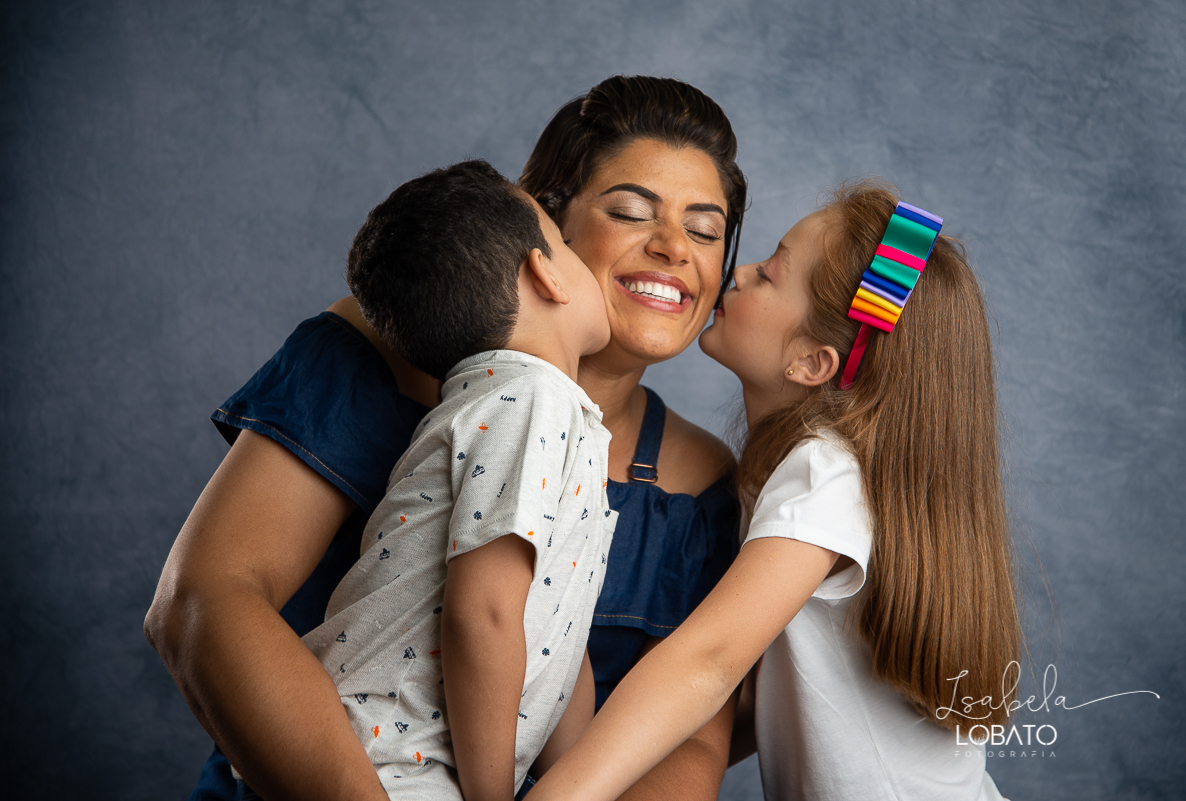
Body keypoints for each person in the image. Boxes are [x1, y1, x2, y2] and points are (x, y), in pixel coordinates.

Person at [145, 75, 747, 801]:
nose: (675, 248)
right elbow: (202, 601)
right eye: (628, 211)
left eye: (707, 231)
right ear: (538, 230)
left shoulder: (700, 480)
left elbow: (689, 731)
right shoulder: (381, 356)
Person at [523, 181, 1023, 801]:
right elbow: (767, 699)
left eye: (771, 273)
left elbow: (708, 661)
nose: (739, 270)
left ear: (812, 364)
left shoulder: (825, 474)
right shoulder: (809, 475)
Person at [265, 159, 610, 800]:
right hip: (395, 769)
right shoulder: (530, 399)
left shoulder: (524, 405)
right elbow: (482, 612)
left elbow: (559, 627)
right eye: (564, 243)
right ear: (546, 273)